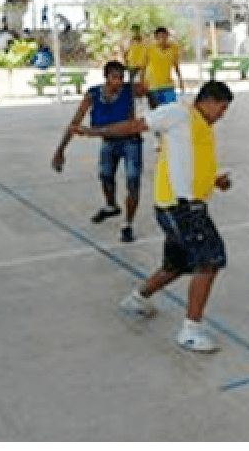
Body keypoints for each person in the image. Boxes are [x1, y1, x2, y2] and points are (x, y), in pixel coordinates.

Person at [72, 80, 234, 353]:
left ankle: (137, 299)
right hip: (179, 206)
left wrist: (215, 180)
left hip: (187, 204)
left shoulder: (202, 126)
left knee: (176, 265)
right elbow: (134, 125)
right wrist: (92, 132)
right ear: (207, 100)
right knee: (210, 260)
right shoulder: (178, 113)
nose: (222, 115)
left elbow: (190, 160)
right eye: (222, 108)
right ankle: (190, 331)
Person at [52, 61, 145, 242]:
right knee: (104, 175)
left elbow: (151, 91)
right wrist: (60, 151)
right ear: (106, 77)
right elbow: (75, 121)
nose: (118, 82)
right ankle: (111, 206)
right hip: (108, 141)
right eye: (114, 78)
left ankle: (128, 224)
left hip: (131, 141)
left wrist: (158, 123)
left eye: (121, 78)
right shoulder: (93, 94)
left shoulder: (130, 90)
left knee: (133, 181)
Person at [142, 27, 185, 109]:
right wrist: (143, 84)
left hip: (168, 86)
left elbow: (176, 66)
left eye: (164, 35)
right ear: (156, 37)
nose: (162, 38)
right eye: (160, 36)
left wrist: (181, 81)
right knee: (156, 114)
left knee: (171, 111)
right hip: (153, 87)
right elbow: (143, 68)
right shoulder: (149, 48)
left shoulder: (173, 48)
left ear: (167, 36)